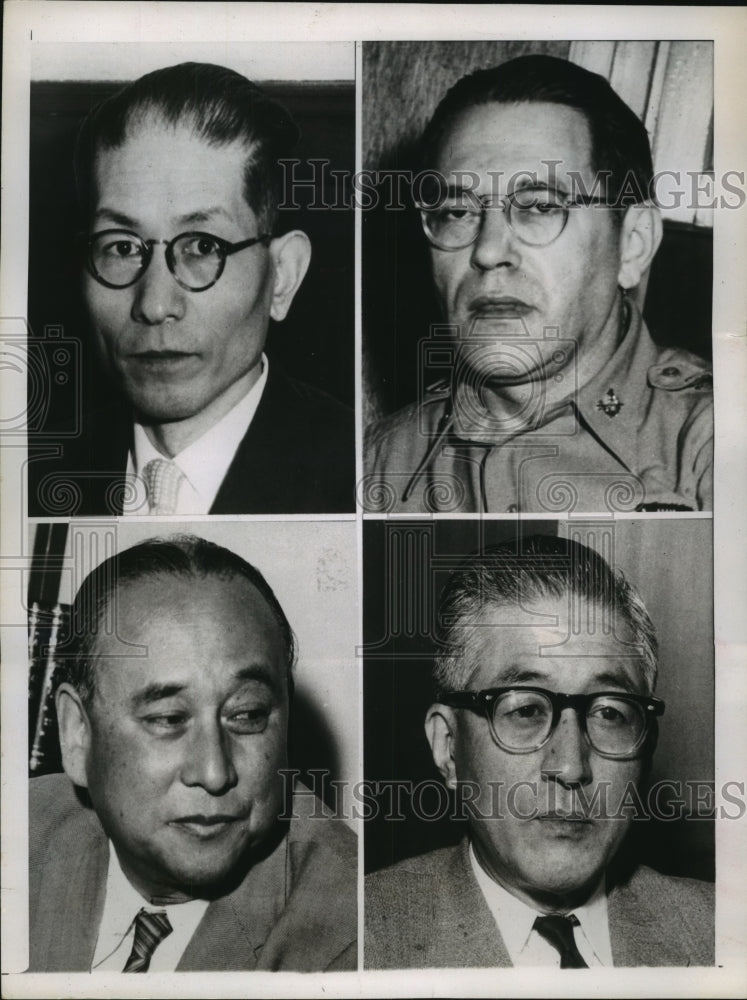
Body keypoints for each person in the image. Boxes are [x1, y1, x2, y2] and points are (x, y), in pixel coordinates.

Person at [365, 55, 713, 513]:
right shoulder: (379, 460)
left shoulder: (709, 444)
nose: (488, 251)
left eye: (540, 206)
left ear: (632, 245)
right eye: (456, 212)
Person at [365, 535, 714, 968]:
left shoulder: (721, 935)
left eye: (609, 713)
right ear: (449, 746)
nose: (570, 766)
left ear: (648, 744)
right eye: (526, 709)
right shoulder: (363, 941)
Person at [29, 62, 354, 516]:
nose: (155, 304)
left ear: (282, 276)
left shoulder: (359, 473)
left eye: (203, 246)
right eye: (122, 247)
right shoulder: (31, 476)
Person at [29, 535, 356, 972]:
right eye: (168, 719)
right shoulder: (20, 837)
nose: (214, 772)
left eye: (248, 714)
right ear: (77, 734)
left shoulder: (352, 932)